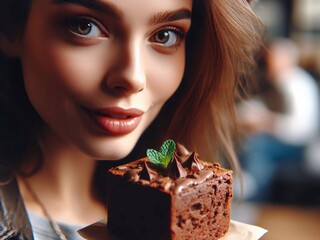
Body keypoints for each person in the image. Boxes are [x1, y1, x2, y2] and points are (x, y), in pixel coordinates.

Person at [0, 0, 262, 239]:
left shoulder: (169, 213)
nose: (133, 77)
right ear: (11, 26)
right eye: (85, 26)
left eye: (165, 35)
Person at [237, 38, 320, 202]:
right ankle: (246, 185)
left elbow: (302, 129)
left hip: (299, 146)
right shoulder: (277, 82)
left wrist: (268, 122)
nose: (270, 63)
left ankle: (251, 191)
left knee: (259, 146)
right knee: (248, 141)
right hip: (280, 139)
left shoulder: (298, 85)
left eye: (275, 58)